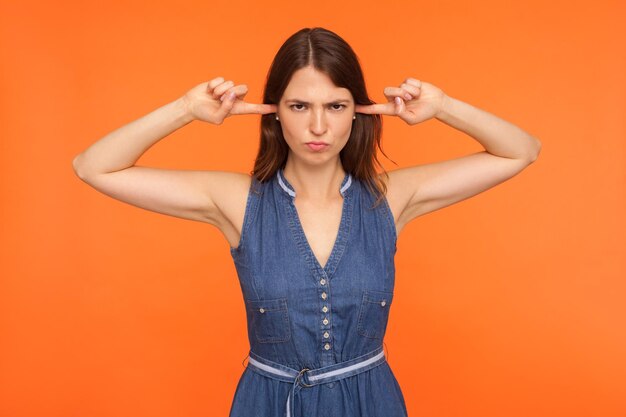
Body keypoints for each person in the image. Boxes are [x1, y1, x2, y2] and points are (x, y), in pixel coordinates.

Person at [73, 27, 541, 417]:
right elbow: (94, 166)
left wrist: (442, 108)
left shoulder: (390, 198)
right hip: (271, 403)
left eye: (335, 106)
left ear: (357, 112)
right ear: (274, 112)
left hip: (370, 402)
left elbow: (521, 150)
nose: (318, 126)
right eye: (299, 106)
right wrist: (185, 110)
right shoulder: (237, 201)